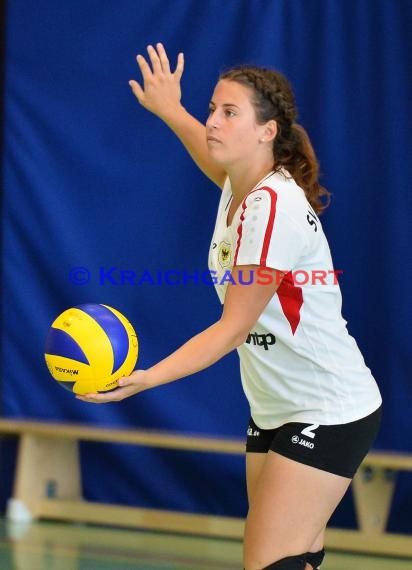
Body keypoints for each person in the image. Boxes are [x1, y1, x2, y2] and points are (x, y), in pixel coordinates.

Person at [77, 44, 382, 570]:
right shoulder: (240, 182)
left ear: (267, 132)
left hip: (326, 409)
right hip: (274, 407)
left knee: (266, 562)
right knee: (296, 557)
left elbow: (231, 330)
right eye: (212, 108)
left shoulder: (273, 210)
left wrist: (146, 378)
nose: (212, 121)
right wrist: (171, 108)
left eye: (229, 112)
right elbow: (207, 150)